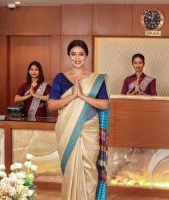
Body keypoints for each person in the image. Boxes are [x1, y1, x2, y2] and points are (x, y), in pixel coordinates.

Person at [48, 40, 109, 200]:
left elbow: (104, 104)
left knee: (89, 168)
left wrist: (83, 96)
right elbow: (52, 105)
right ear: (69, 56)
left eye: (81, 54)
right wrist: (72, 96)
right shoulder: (60, 78)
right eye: (73, 54)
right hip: (67, 129)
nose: (77, 58)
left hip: (89, 129)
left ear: (86, 56)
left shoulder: (95, 79)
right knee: (70, 170)